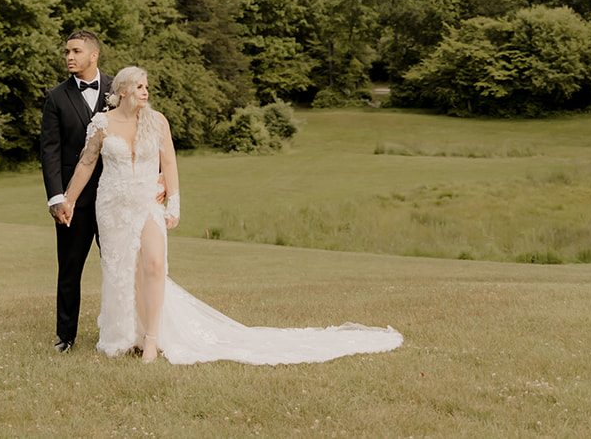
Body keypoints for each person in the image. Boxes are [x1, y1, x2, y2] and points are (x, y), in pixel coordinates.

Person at [59, 67, 403, 365]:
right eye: (140, 87)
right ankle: (124, 335)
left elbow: (170, 164)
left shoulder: (157, 121)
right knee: (121, 271)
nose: (146, 92)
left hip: (148, 204)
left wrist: (174, 203)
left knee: (153, 265)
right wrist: (68, 200)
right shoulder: (102, 124)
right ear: (121, 91)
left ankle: (151, 339)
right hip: (113, 206)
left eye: (148, 86)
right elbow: (87, 163)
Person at [38, 29, 111, 353]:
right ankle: (65, 336)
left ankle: (125, 332)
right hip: (73, 200)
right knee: (69, 268)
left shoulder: (117, 89)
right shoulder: (55, 97)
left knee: (120, 266)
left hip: (114, 196)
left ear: (93, 55)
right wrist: (57, 198)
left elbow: (144, 135)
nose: (69, 56)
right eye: (67, 51)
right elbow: (49, 150)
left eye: (76, 51)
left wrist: (160, 178)